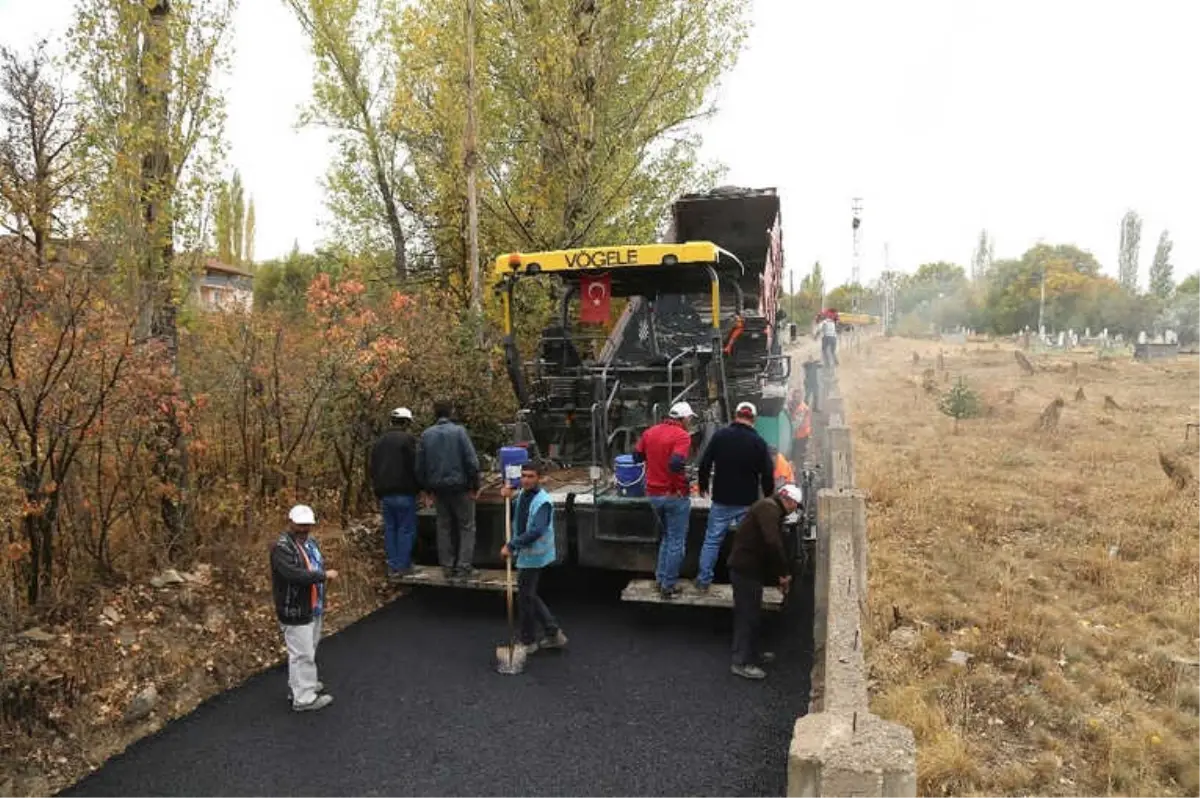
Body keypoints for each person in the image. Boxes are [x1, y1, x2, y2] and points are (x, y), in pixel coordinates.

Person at [695, 401, 774, 592]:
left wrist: (703, 485)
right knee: (746, 543)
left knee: (712, 540)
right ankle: (745, 582)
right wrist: (769, 497)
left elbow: (704, 463)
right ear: (753, 419)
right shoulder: (759, 443)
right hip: (747, 502)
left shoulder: (720, 436)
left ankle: (704, 580)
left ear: (735, 415)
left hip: (722, 499)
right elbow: (767, 473)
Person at [728, 484, 800, 680]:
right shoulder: (769, 509)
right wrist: (783, 573)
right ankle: (741, 662)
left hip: (750, 569)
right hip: (745, 570)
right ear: (790, 501)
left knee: (753, 614)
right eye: (796, 506)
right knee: (747, 616)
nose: (794, 510)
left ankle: (752, 654)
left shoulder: (769, 507)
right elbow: (773, 543)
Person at [271, 504, 338, 711]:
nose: (304, 528)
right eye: (300, 524)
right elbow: (292, 574)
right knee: (303, 653)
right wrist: (323, 576)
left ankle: (300, 684)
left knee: (307, 649)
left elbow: (314, 564)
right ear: (290, 522)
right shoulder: (282, 547)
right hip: (294, 608)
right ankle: (304, 698)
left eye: (307, 524)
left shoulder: (310, 543)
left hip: (312, 605)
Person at [500, 462, 568, 656]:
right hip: (527, 552)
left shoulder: (543, 501)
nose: (526, 480)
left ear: (540, 478)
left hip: (534, 555)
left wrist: (511, 545)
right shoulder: (524, 494)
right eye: (523, 476)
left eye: (531, 476)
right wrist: (509, 495)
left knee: (526, 597)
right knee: (528, 594)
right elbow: (519, 508)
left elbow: (537, 530)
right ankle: (552, 633)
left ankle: (529, 640)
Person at [632, 401, 695, 599]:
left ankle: (661, 578)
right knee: (677, 541)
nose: (690, 422)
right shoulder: (682, 436)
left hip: (653, 494)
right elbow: (676, 464)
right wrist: (681, 487)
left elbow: (636, 456)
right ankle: (668, 585)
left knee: (667, 538)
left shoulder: (650, 432)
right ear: (683, 419)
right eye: (690, 419)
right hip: (672, 495)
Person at [417, 400, 481, 580]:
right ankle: (463, 567)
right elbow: (472, 462)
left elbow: (420, 466)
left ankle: (447, 566)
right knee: (466, 526)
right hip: (460, 488)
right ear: (451, 411)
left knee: (443, 527)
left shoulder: (426, 435)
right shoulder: (459, 432)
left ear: (434, 413)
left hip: (438, 489)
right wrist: (475, 485)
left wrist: (427, 490)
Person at [370, 407, 421, 579]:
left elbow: (373, 468)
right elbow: (416, 465)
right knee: (406, 529)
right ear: (406, 422)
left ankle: (392, 566)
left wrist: (377, 490)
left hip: (385, 494)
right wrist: (421, 487)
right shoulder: (408, 440)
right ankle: (403, 565)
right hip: (405, 492)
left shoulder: (379, 442)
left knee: (391, 529)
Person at [788, 390, 812, 467]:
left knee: (798, 455)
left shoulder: (802, 409)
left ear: (801, 398)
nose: (795, 399)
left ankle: (798, 470)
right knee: (794, 455)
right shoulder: (794, 406)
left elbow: (796, 424)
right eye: (794, 397)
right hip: (797, 435)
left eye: (797, 397)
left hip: (802, 436)